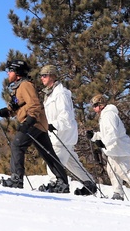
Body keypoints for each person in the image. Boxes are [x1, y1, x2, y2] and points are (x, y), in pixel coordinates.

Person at [0, 60, 68, 192]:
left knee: (17, 145)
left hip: (34, 122)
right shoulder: (19, 87)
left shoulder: (25, 85)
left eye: (10, 71)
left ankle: (16, 179)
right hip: (38, 124)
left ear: (17, 73)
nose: (8, 73)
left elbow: (35, 105)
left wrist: (28, 122)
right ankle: (62, 182)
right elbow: (16, 106)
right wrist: (0, 112)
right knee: (47, 152)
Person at [38, 64, 97, 195]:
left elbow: (66, 116)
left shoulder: (61, 94)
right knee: (72, 162)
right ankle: (89, 183)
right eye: (41, 75)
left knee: (54, 159)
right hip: (59, 134)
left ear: (52, 76)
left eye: (45, 75)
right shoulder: (50, 94)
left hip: (62, 134)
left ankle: (57, 183)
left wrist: (54, 125)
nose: (42, 78)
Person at [88, 95, 130, 202]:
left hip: (120, 148)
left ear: (101, 105)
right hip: (114, 149)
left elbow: (113, 133)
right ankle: (118, 193)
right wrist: (94, 136)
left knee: (123, 171)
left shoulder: (109, 115)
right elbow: (106, 134)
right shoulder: (105, 115)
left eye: (95, 105)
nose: (93, 108)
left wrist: (103, 143)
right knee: (112, 171)